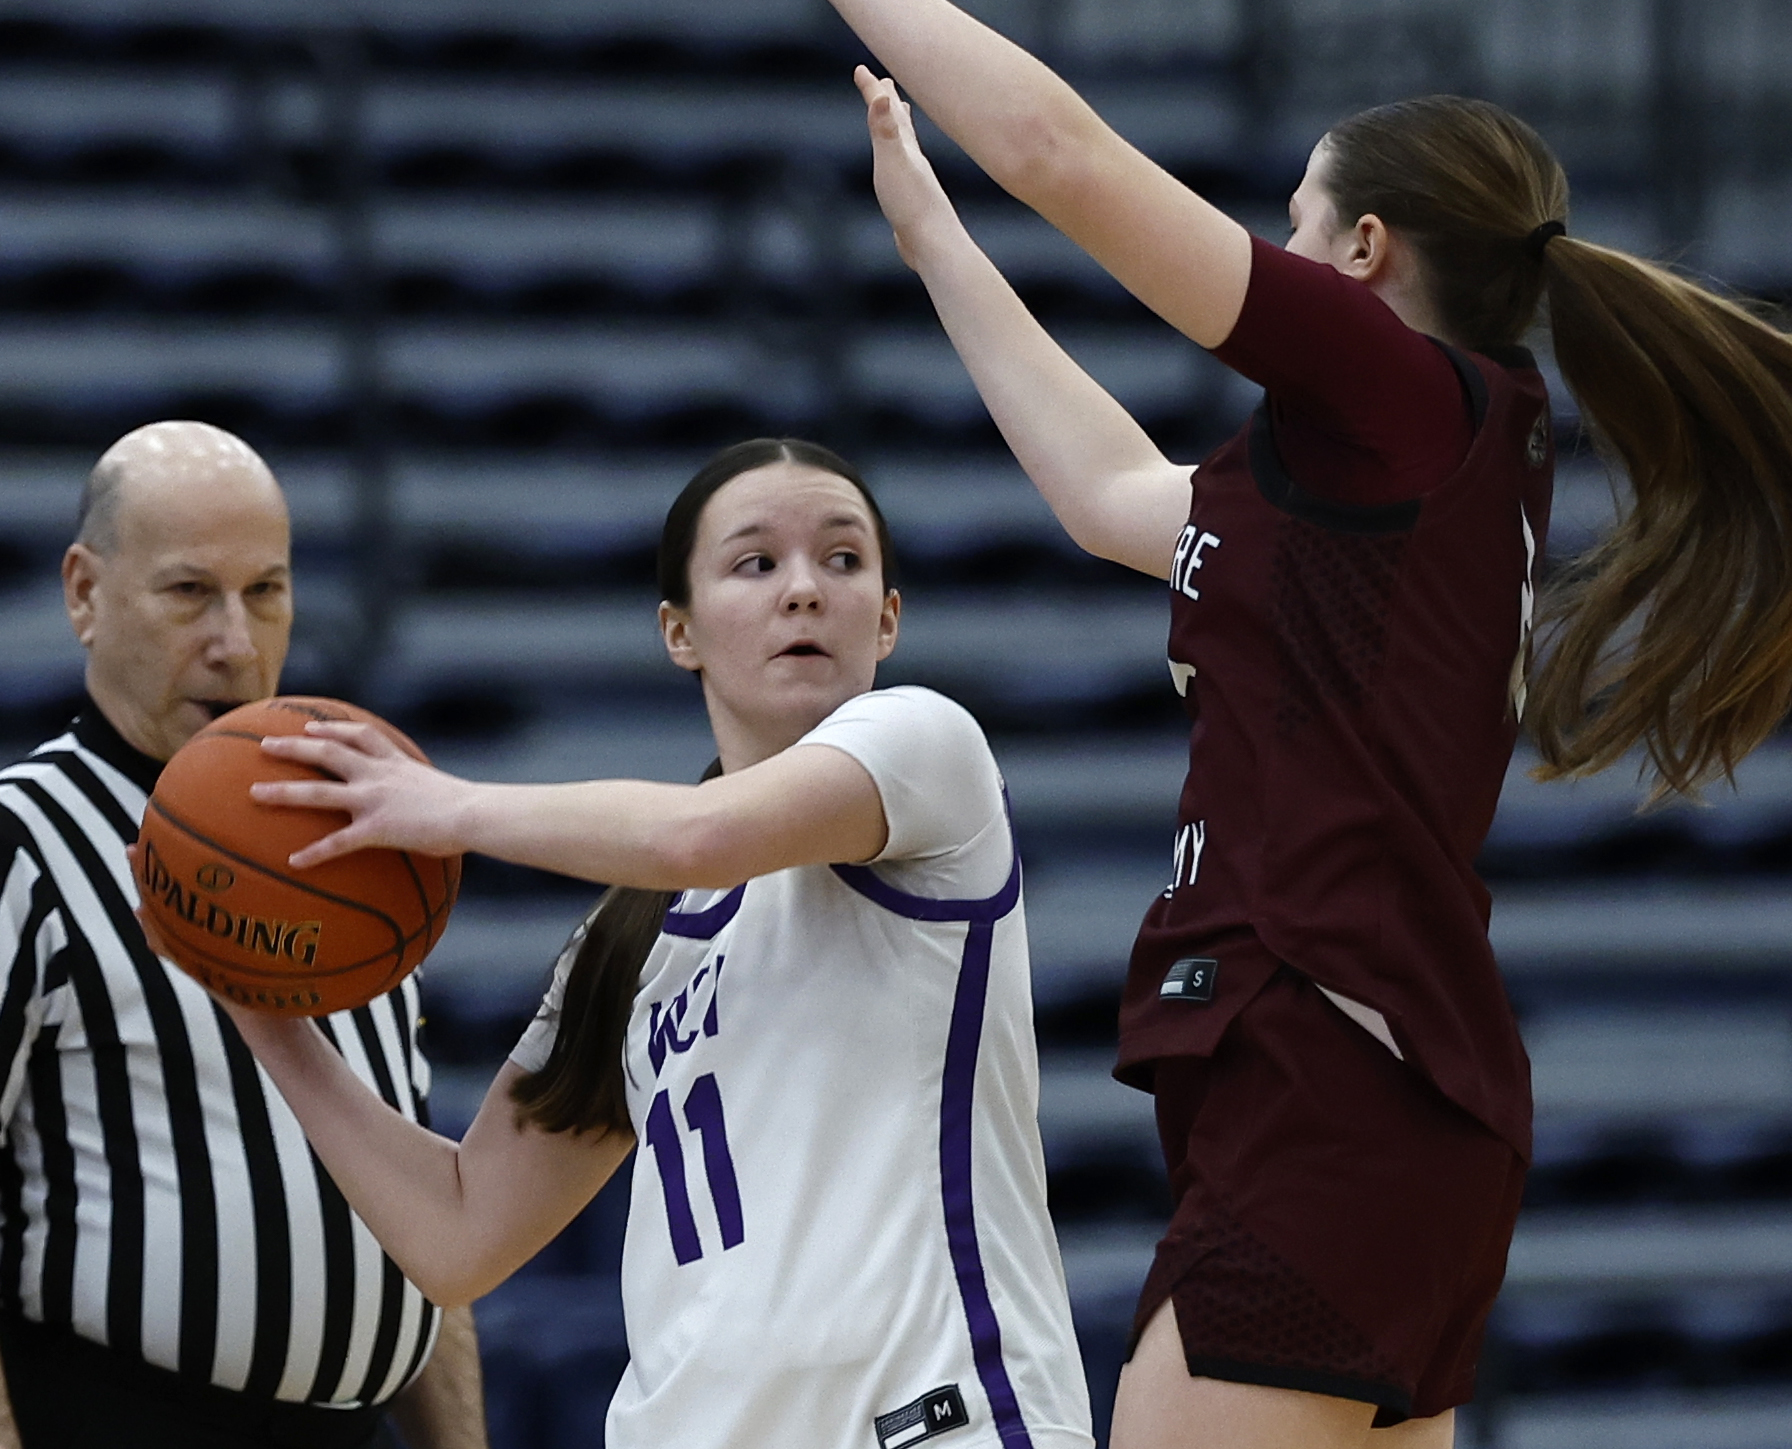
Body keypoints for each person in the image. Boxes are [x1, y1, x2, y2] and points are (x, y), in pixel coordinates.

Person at [819, 4, 1792, 1446]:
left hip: (1335, 1078)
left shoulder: (1401, 396)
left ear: (1364, 251)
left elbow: (1056, 150)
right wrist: (931, 242)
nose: (1273, 248)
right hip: (1393, 1097)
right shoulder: (1380, 470)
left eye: (1295, 221)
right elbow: (1106, 500)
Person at [221, 438, 1096, 1449]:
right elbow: (458, 1233)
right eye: (756, 563)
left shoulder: (928, 750)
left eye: (843, 560)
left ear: (889, 618)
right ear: (679, 632)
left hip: (932, 1422)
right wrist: (261, 1014)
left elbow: (699, 833)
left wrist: (453, 806)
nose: (805, 590)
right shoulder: (628, 933)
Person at [0, 421, 487, 1449]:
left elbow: (414, 1200)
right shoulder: (21, 842)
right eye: (189, 593)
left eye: (265, 591)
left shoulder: (358, 843)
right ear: (84, 594)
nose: (235, 639)